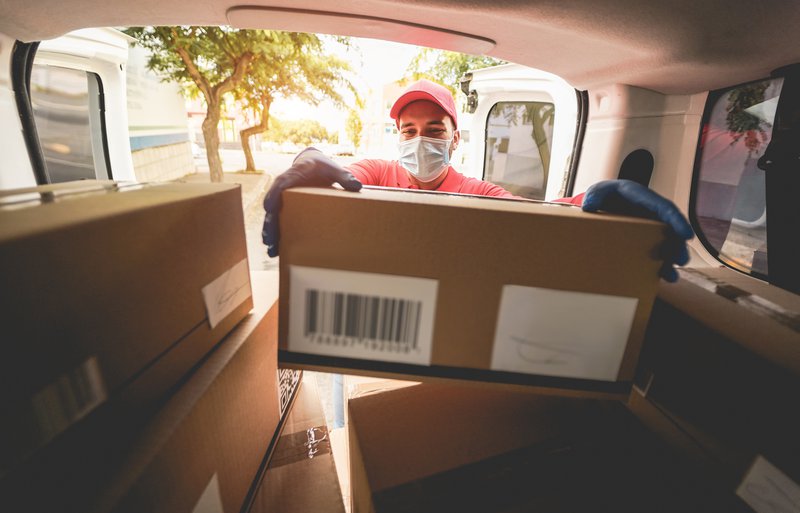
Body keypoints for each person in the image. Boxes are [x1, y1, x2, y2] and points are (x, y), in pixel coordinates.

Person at [263, 79, 694, 282]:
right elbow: (337, 178)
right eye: (408, 131)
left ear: (455, 137)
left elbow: (537, 221)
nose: (420, 140)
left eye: (434, 130)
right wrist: (309, 158)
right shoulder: (377, 176)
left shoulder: (478, 192)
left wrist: (591, 204)